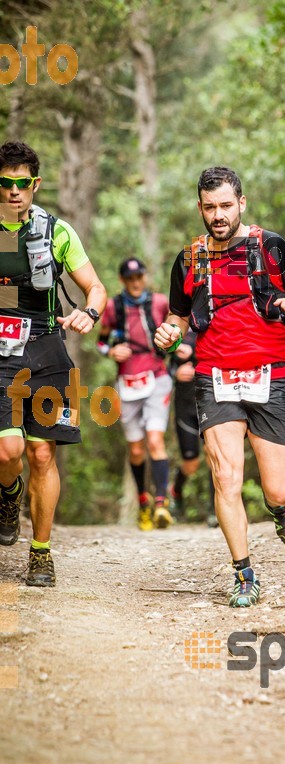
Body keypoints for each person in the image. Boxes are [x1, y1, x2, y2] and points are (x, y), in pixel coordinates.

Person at [155, 166, 285, 607]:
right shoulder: (188, 259)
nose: (218, 215)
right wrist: (169, 332)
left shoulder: (271, 246)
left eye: (226, 205)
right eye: (210, 208)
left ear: (241, 203)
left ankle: (281, 509)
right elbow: (178, 315)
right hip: (215, 377)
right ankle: (244, 573)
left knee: (278, 488)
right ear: (200, 209)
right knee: (225, 477)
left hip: (274, 375)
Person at [0, 140, 107, 587]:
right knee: (10, 451)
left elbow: (96, 287)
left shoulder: (56, 232)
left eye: (22, 183)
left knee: (43, 453)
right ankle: (8, 493)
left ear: (35, 184)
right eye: (5, 183)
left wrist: (89, 312)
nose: (13, 191)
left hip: (46, 348)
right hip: (2, 354)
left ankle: (40, 552)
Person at [98, 258, 173, 530]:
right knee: (137, 449)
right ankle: (144, 501)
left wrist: (180, 351)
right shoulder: (111, 307)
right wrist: (111, 351)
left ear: (145, 276)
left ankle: (162, 504)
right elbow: (100, 341)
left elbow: (178, 331)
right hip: (127, 381)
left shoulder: (160, 303)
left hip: (157, 375)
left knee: (155, 440)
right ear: (122, 280)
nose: (135, 282)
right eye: (130, 278)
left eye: (139, 276)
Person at [169, 330, 217, 527]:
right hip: (185, 407)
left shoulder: (215, 328)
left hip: (213, 403)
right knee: (191, 463)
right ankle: (176, 492)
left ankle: (215, 510)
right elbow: (164, 365)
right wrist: (176, 373)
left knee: (213, 456)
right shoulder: (176, 329)